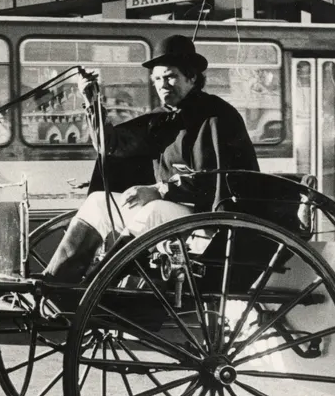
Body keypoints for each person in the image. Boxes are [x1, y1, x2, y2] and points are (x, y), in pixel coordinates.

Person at [43, 34, 260, 284]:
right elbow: (111, 145)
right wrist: (91, 101)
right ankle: (55, 285)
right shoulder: (162, 118)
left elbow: (220, 179)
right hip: (175, 211)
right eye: (157, 79)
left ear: (192, 77)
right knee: (97, 203)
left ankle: (95, 288)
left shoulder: (218, 117)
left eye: (170, 77)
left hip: (209, 218)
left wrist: (160, 190)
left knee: (155, 210)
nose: (162, 85)